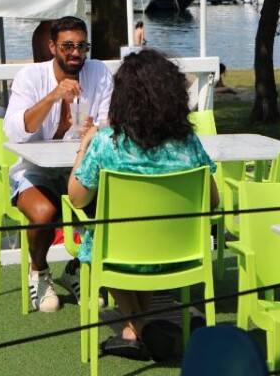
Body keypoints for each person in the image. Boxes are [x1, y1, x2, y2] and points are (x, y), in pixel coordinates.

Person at [68, 48, 219, 361]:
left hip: (119, 254)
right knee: (130, 239)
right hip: (178, 253)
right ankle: (135, 327)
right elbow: (213, 199)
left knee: (104, 238)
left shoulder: (106, 144)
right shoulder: (189, 144)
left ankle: (137, 324)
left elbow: (77, 198)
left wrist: (83, 146)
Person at [4, 16, 114, 313]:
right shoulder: (30, 77)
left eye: (81, 46)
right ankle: (39, 271)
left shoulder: (99, 73)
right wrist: (53, 97)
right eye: (68, 46)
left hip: (81, 166)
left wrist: (96, 129)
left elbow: (110, 123)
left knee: (111, 207)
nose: (76, 53)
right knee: (44, 214)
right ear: (53, 46)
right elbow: (14, 130)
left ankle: (77, 269)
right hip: (35, 169)